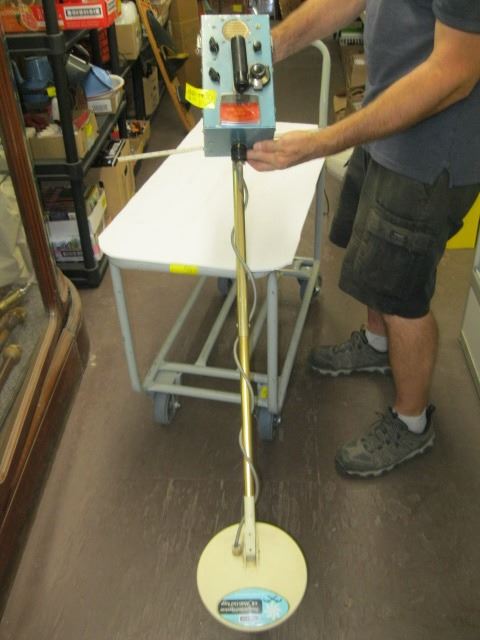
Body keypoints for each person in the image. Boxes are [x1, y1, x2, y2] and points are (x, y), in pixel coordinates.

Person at [247, 0, 480, 478]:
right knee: (375, 253)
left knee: (401, 293)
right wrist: (270, 45)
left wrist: (321, 141)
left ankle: (411, 421)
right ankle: (377, 344)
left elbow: (454, 74)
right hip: (386, 119)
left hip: (431, 151)